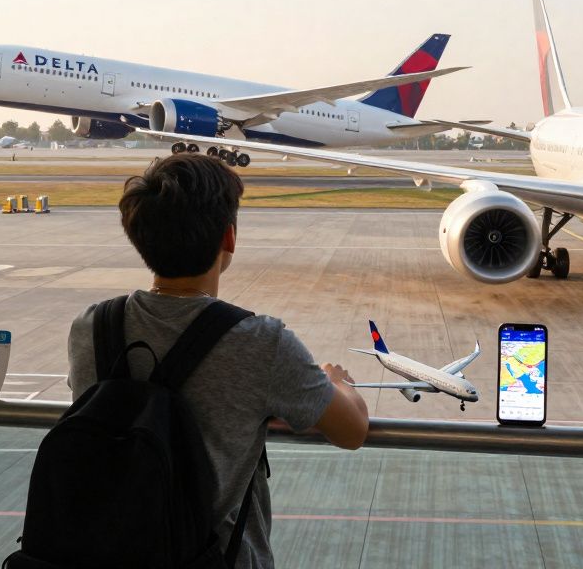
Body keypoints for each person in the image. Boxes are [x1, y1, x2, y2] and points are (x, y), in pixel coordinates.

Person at [67, 153, 369, 568]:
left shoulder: (91, 327)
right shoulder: (260, 342)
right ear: (228, 238)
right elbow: (351, 431)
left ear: (138, 236)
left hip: (105, 553)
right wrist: (337, 382)